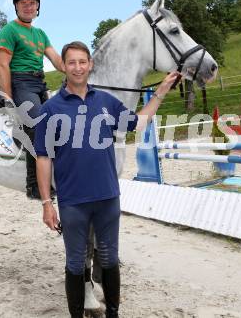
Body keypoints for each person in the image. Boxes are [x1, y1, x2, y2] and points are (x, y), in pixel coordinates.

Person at [35, 41, 179, 317]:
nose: (77, 67)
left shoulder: (105, 102)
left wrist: (159, 93)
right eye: (72, 62)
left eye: (82, 62)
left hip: (107, 198)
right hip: (73, 202)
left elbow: (137, 123)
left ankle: (112, 313)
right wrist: (46, 202)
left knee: (110, 259)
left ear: (90, 65)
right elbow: (43, 158)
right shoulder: (50, 110)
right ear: (63, 67)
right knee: (75, 264)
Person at [0, 0, 63, 199]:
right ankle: (34, 185)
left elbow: (57, 61)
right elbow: (3, 65)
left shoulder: (41, 34)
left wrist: (80, 67)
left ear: (38, 7)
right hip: (20, 83)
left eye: (32, 3)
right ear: (16, 7)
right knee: (37, 123)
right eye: (24, 3)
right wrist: (7, 99)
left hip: (40, 83)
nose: (28, 7)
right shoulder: (9, 30)